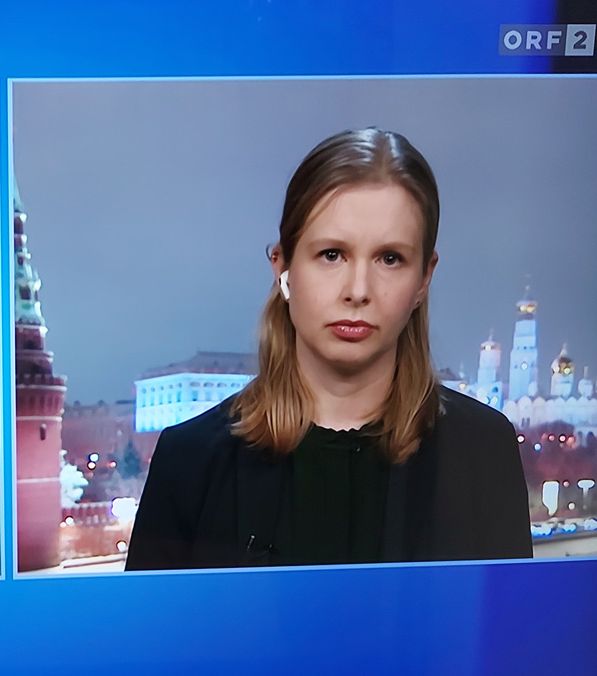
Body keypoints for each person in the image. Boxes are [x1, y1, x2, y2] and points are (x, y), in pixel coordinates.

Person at [125, 128, 532, 570]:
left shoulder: (484, 453)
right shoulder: (189, 463)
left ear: (423, 279)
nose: (358, 290)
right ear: (283, 266)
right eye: (332, 255)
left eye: (390, 258)